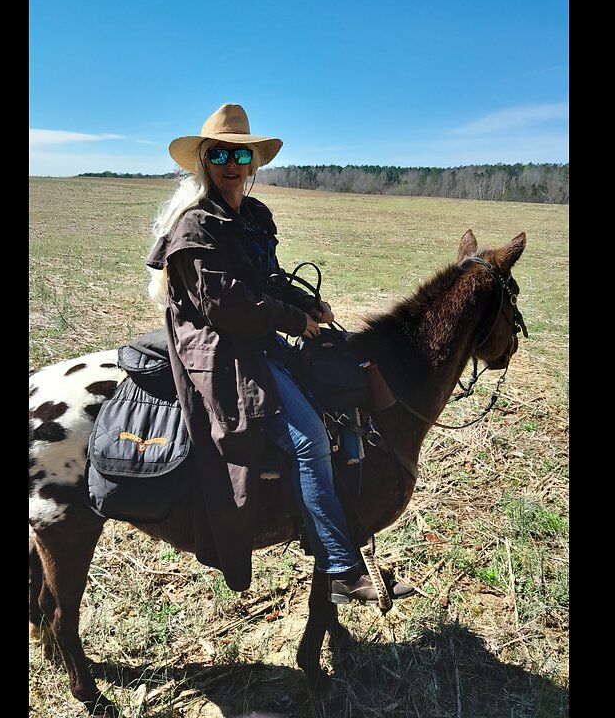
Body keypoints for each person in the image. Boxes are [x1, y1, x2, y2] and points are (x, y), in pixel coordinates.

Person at [145, 103, 416, 604]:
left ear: (252, 163)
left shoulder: (250, 217)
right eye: (221, 153)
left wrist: (305, 302)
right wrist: (292, 320)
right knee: (311, 436)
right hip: (222, 348)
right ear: (205, 161)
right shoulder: (194, 227)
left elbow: (267, 280)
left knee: (337, 408)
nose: (232, 163)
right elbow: (224, 305)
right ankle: (339, 567)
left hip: (256, 336)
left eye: (240, 154)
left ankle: (328, 532)